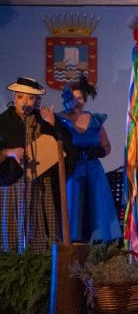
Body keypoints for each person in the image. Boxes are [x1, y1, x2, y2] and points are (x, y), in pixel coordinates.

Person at [0, 77, 72, 252]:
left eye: (31, 98)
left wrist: (53, 126)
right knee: (13, 225)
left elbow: (64, 147)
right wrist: (9, 152)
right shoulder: (3, 122)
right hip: (13, 181)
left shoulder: (43, 119)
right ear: (14, 97)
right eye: (22, 97)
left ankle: (41, 263)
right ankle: (14, 265)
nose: (26, 102)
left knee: (40, 224)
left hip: (41, 181)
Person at [57, 75, 120, 242]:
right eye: (73, 98)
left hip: (94, 171)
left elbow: (107, 146)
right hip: (73, 171)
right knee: (74, 208)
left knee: (98, 209)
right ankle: (74, 248)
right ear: (66, 98)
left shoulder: (94, 119)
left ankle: (99, 247)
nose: (77, 102)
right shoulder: (59, 120)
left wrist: (98, 152)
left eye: (80, 98)